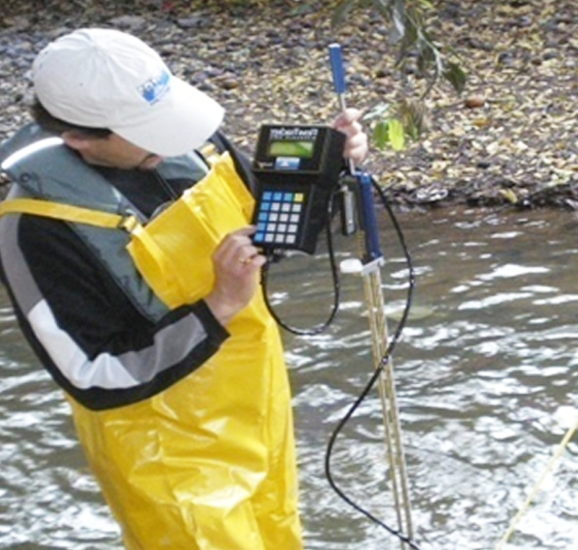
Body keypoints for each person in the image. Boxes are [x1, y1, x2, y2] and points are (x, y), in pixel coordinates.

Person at [0, 28, 367, 549]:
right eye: (147, 130)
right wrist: (218, 305)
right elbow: (92, 374)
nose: (169, 140)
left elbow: (275, 228)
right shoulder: (35, 226)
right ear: (79, 136)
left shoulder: (191, 145)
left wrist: (334, 169)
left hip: (257, 408)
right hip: (167, 458)